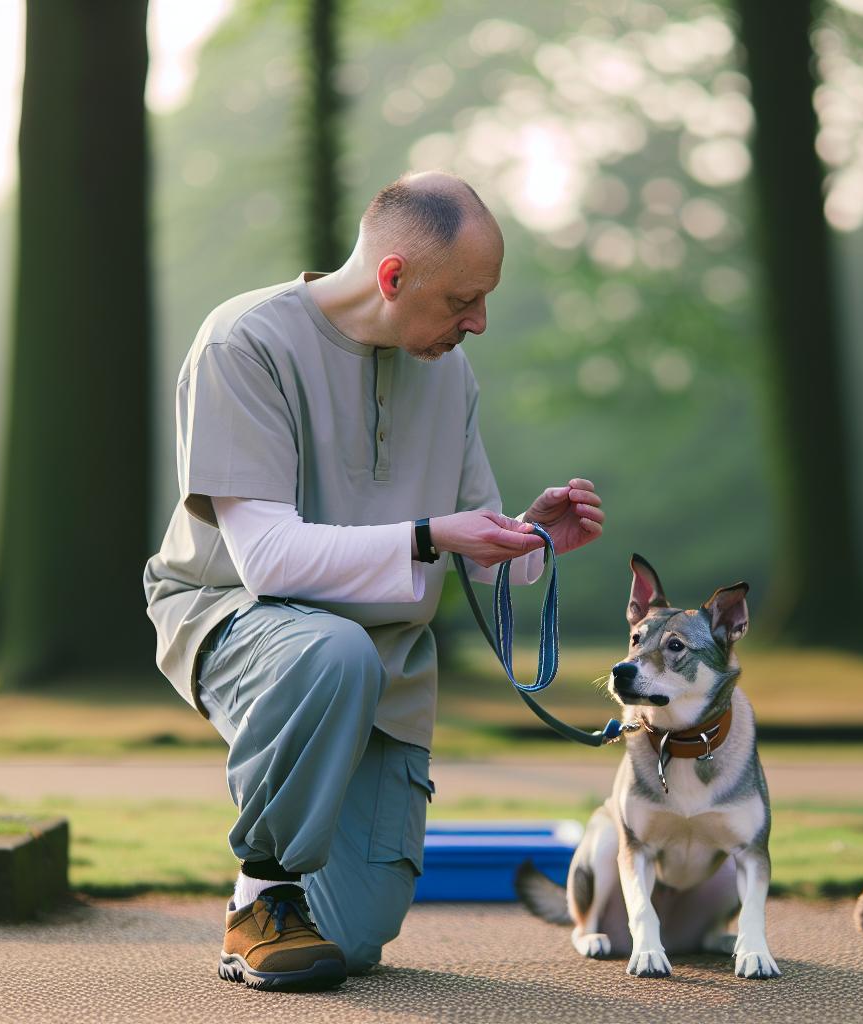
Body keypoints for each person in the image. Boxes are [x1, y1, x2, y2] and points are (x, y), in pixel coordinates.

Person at [141, 171, 605, 991]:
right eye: (465, 299)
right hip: (240, 622)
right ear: (393, 277)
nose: (481, 323)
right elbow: (270, 562)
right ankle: (261, 897)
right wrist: (431, 535)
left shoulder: (449, 372)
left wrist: (533, 539)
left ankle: (295, 907)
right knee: (333, 651)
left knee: (350, 943)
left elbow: (473, 534)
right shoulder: (242, 343)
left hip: (386, 665)